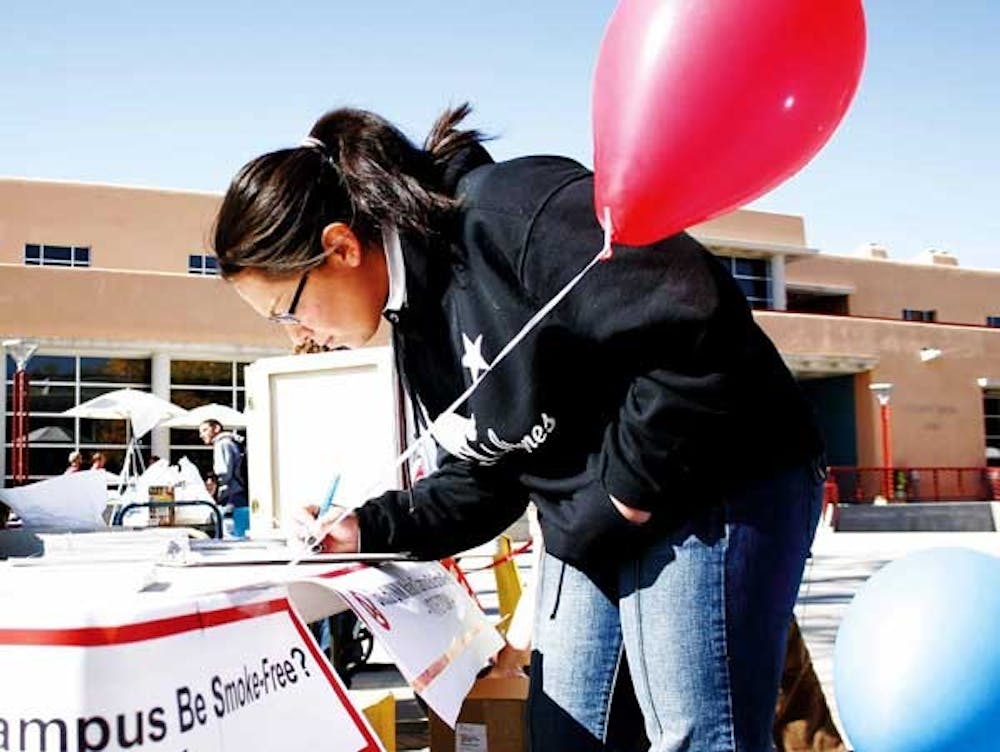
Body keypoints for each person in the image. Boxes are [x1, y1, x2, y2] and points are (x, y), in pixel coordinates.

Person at [212, 103, 825, 751]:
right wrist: (365, 527)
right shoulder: (415, 325)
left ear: (340, 246)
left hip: (717, 475)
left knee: (697, 733)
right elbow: (487, 472)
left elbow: (692, 327)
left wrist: (620, 497)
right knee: (565, 734)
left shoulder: (514, 211)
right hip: (597, 517)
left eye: (288, 312)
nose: (298, 337)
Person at [197, 419, 249, 537]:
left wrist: (213, 481)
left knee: (230, 534)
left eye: (205, 430)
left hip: (231, 495)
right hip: (239, 492)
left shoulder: (222, 443)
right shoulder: (233, 442)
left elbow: (223, 471)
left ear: (216, 429)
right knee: (241, 531)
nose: (201, 435)